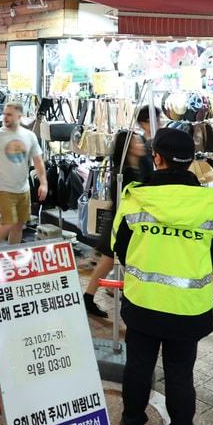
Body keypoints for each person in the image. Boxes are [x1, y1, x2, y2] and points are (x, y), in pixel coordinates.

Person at [109, 128, 213, 425]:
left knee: (138, 367)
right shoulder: (211, 205)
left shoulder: (136, 199)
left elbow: (120, 249)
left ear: (156, 158)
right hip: (188, 309)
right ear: (190, 160)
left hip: (143, 303)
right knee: (179, 374)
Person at [84, 128, 152, 318]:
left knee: (107, 263)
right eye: (137, 142)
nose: (141, 145)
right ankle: (93, 298)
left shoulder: (143, 164)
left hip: (130, 223)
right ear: (127, 148)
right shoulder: (122, 172)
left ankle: (90, 297)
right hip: (121, 224)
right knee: (109, 262)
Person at [0, 102, 48, 247]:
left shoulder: (29, 136)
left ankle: (11, 254)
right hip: (2, 187)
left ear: (19, 116)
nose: (5, 117)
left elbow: (38, 161)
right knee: (8, 222)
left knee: (19, 225)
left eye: (9, 114)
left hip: (23, 188)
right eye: (5, 114)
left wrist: (44, 183)